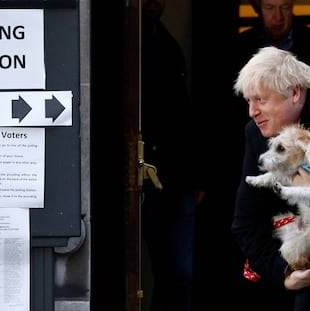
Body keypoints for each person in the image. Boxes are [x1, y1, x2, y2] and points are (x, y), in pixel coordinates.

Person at [231, 46, 310, 311]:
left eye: (261, 100)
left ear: (295, 93)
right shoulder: (256, 133)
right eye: (248, 101)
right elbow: (246, 223)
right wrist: (286, 274)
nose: (252, 112)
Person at [140, 0, 205, 310]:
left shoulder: (167, 43)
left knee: (177, 273)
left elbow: (183, 117)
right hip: (138, 178)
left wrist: (195, 176)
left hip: (174, 179)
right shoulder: (128, 43)